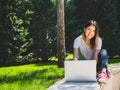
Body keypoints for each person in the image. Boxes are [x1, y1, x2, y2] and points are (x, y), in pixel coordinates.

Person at [73, 20, 111, 84]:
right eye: (89, 29)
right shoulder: (77, 40)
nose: (91, 32)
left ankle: (103, 74)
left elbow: (95, 56)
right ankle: (99, 73)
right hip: (84, 65)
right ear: (84, 29)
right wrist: (76, 67)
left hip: (95, 64)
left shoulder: (98, 40)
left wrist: (92, 69)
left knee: (104, 52)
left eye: (94, 30)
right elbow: (75, 57)